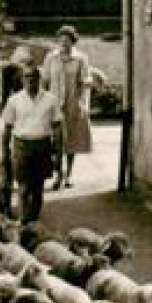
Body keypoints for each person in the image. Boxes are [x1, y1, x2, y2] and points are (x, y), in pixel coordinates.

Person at [0, 66, 63, 225]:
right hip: (21, 146)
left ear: (39, 79)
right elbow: (6, 127)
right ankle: (23, 221)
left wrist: (58, 153)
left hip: (42, 146)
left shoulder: (50, 100)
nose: (30, 81)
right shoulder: (14, 100)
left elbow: (57, 128)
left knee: (37, 189)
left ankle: (33, 220)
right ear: (22, 80)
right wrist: (4, 152)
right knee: (23, 187)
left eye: (33, 77)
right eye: (27, 77)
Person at [41, 25, 93, 190]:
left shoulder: (81, 59)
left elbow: (87, 79)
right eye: (61, 40)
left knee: (71, 140)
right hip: (54, 105)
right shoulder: (51, 58)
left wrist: (87, 83)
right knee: (54, 141)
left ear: (73, 41)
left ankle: (68, 175)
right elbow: (44, 81)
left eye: (67, 40)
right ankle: (57, 174)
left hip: (72, 104)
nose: (64, 44)